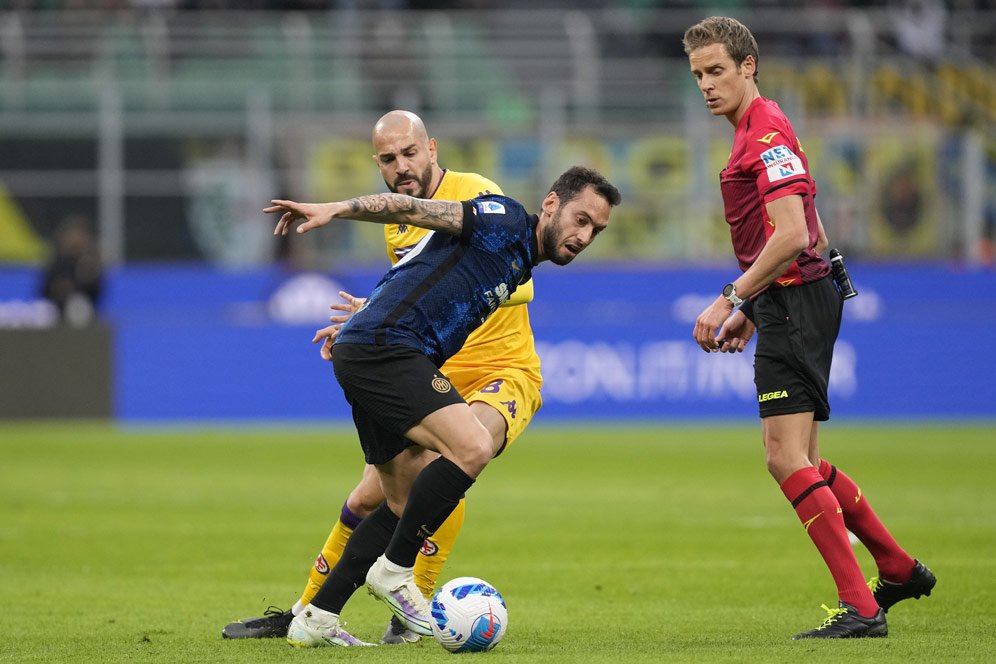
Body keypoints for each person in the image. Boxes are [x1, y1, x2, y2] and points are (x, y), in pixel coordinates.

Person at [264, 165, 619, 647]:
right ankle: (395, 570)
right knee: (472, 447)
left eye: (596, 230)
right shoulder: (506, 219)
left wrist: (365, 315)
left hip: (367, 347)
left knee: (400, 500)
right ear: (552, 204)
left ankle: (316, 617)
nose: (584, 235)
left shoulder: (518, 263)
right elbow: (411, 209)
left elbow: (418, 265)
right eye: (580, 219)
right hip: (389, 348)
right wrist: (337, 208)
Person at [222, 111, 542, 644]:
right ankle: (306, 611)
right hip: (437, 363)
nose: (402, 167)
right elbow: (424, 279)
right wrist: (375, 309)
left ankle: (410, 611)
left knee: (452, 460)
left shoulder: (475, 192)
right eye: (389, 160)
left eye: (410, 153)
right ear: (378, 164)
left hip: (501, 369)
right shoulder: (399, 222)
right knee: (373, 494)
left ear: (432, 148)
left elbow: (518, 277)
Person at [682, 16, 935, 640]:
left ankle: (863, 607)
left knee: (783, 457)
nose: (706, 85)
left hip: (796, 301)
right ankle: (897, 569)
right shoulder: (759, 128)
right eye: (697, 75)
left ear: (748, 66)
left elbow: (794, 235)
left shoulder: (763, 127)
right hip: (792, 300)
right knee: (807, 462)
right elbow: (813, 229)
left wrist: (729, 296)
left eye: (717, 71)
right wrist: (752, 307)